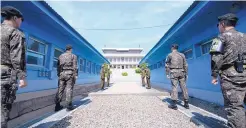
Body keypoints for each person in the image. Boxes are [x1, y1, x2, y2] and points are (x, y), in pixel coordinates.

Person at [210, 13, 246, 128]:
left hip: (230, 76)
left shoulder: (220, 37)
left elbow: (216, 58)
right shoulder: (244, 36)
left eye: (218, 25)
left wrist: (214, 75)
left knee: (235, 107)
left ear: (223, 24)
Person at [1, 6, 27, 128]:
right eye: (21, 20)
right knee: (3, 109)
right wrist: (22, 77)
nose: (21, 23)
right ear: (15, 18)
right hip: (5, 73)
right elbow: (16, 57)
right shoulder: (15, 33)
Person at [165, 44, 189, 110]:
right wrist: (186, 73)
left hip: (174, 72)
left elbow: (167, 65)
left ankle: (174, 104)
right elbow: (186, 65)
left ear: (172, 48)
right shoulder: (182, 55)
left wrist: (167, 73)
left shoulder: (169, 55)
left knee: (174, 87)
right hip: (182, 72)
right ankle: (186, 103)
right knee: (184, 87)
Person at [54, 44, 78, 111]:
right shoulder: (73, 56)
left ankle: (57, 106)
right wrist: (75, 75)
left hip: (62, 74)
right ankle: (69, 105)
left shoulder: (61, 56)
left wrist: (59, 74)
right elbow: (75, 66)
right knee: (69, 89)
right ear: (71, 49)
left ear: (66, 49)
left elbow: (58, 66)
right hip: (69, 74)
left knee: (60, 89)